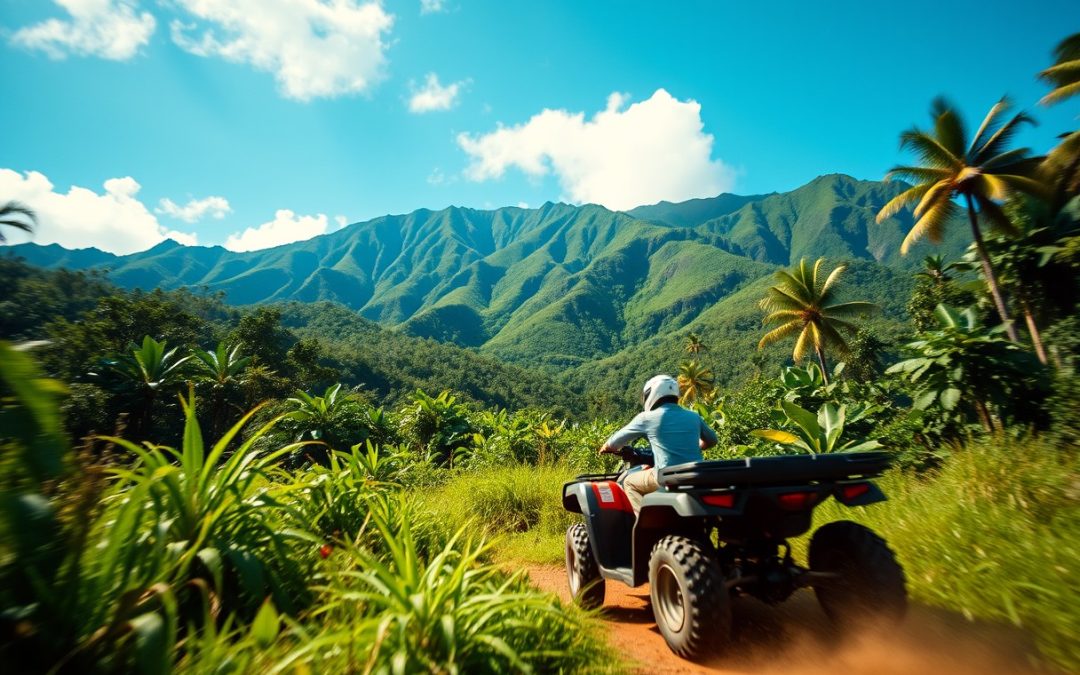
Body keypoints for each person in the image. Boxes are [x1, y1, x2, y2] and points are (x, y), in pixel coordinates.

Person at [599, 374, 718, 514]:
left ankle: (643, 527)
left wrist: (605, 448)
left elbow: (614, 443)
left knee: (629, 482)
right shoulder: (693, 416)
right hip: (694, 475)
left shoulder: (646, 418)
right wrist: (693, 446)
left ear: (652, 394)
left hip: (666, 475)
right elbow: (712, 440)